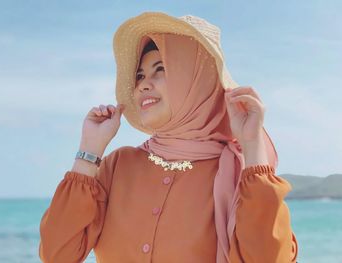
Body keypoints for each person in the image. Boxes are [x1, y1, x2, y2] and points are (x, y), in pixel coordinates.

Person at [39, 12, 298, 263]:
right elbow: (57, 255)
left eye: (160, 69)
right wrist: (89, 150)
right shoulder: (118, 165)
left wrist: (252, 146)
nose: (142, 84)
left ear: (195, 79)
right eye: (139, 75)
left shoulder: (239, 174)